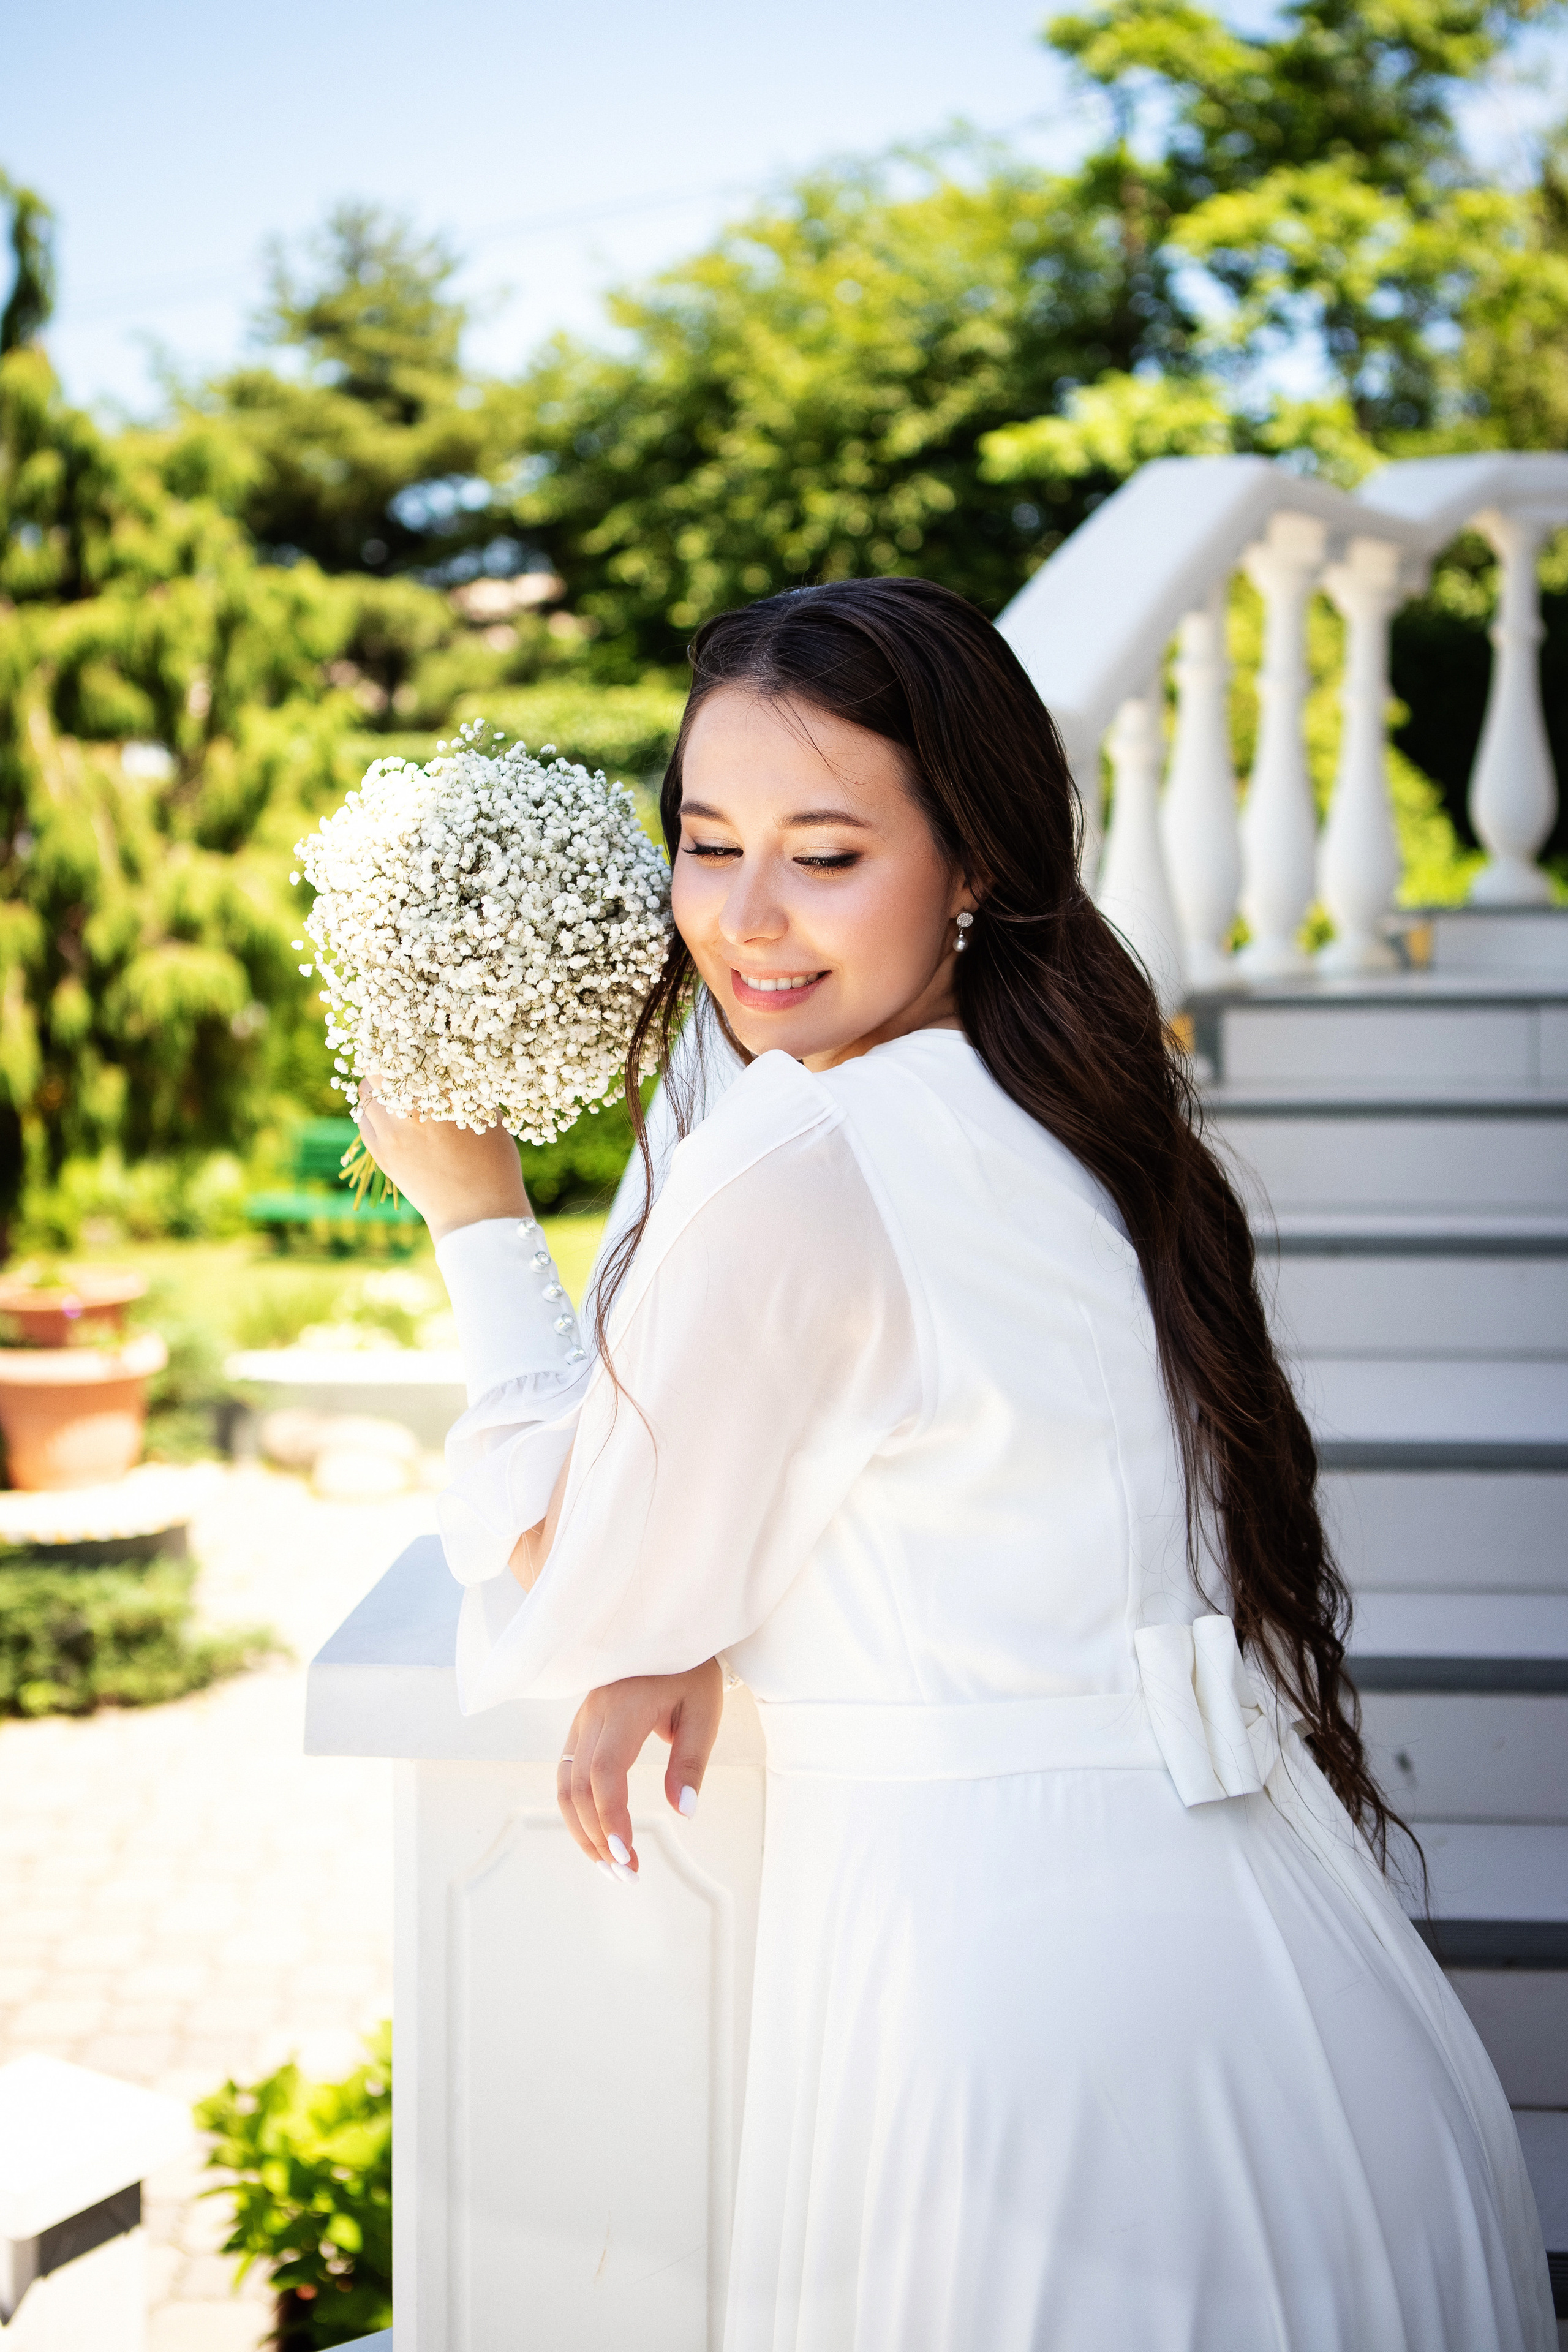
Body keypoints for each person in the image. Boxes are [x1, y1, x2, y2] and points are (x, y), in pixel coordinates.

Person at [356, 578, 1555, 2351]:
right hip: (1282, 1981)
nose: (744, 921)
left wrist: (476, 1215)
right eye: (706, 843)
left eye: (825, 856)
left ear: (972, 863)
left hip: (1013, 2022)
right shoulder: (1053, 1105)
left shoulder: (812, 1151)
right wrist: (716, 1612)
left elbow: (568, 1571)